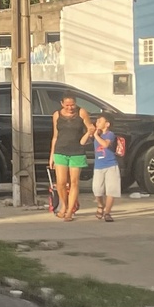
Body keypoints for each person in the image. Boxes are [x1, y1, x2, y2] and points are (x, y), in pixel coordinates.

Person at [48, 93, 94, 221]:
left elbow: (90, 128)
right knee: (61, 182)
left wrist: (92, 130)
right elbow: (55, 136)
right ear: (62, 104)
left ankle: (69, 211)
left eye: (72, 104)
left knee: (74, 182)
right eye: (67, 105)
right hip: (60, 151)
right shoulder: (56, 115)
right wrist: (51, 155)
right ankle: (64, 205)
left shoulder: (82, 113)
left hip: (77, 151)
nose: (70, 107)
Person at [91, 113, 121, 222]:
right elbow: (82, 142)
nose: (97, 123)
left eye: (100, 121)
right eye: (97, 121)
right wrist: (91, 133)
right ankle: (100, 205)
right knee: (97, 190)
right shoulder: (96, 134)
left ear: (107, 124)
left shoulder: (110, 134)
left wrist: (96, 136)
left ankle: (107, 212)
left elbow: (105, 145)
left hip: (110, 164)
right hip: (98, 166)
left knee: (111, 190)